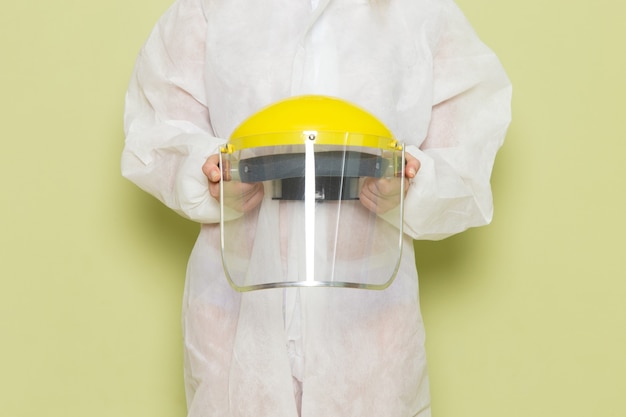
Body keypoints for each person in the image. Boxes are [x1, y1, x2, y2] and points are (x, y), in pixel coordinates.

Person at [121, 0, 512, 415]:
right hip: (238, 311)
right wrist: (211, 176)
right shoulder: (210, 8)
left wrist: (411, 183)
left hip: (368, 316)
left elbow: (469, 137)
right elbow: (157, 126)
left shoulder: (420, 11)